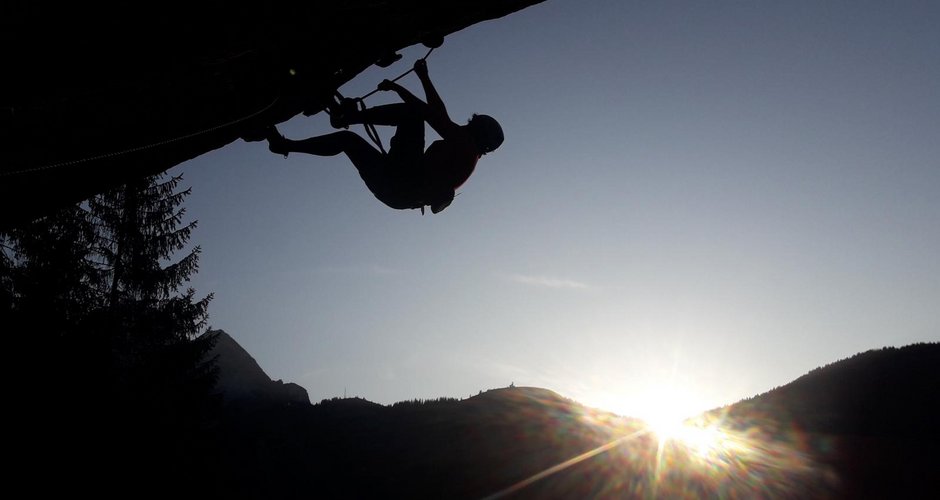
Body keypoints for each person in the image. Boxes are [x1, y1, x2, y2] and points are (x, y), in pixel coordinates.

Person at [258, 59, 504, 214]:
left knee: (412, 115)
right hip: (396, 191)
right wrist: (423, 77)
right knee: (348, 142)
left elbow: (430, 115)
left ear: (477, 132)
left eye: (469, 124)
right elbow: (439, 114)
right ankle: (283, 145)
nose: (463, 124)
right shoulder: (466, 153)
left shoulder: (464, 147)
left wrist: (398, 88)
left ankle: (346, 117)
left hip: (402, 179)